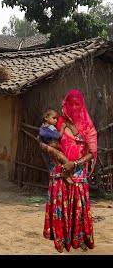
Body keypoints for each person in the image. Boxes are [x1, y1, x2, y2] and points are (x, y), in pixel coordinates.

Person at [41, 90, 97, 253]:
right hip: (59, 172)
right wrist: (52, 151)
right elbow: (42, 140)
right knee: (62, 208)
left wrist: (75, 163)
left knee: (78, 209)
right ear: (64, 104)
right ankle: (61, 240)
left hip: (78, 174)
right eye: (70, 103)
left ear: (82, 105)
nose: (73, 107)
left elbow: (92, 152)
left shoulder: (88, 127)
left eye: (77, 104)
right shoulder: (57, 123)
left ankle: (79, 239)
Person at [38, 108, 73, 185]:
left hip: (54, 150)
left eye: (56, 118)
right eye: (54, 118)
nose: (56, 120)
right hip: (53, 151)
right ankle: (66, 175)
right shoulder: (45, 129)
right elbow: (58, 136)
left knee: (59, 164)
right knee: (66, 162)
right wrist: (63, 127)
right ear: (46, 118)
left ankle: (64, 175)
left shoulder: (49, 128)